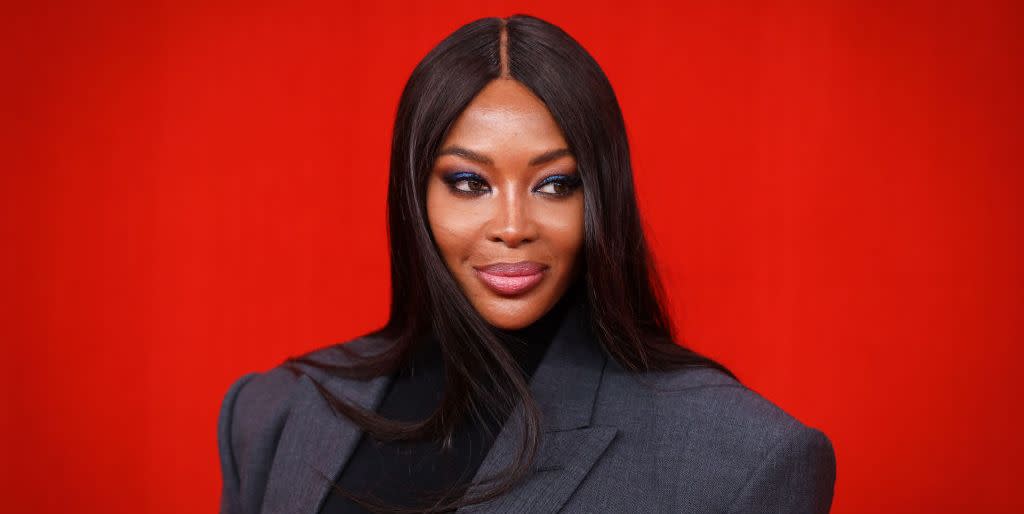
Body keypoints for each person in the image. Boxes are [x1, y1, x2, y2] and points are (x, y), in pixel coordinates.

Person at [217, 14, 836, 514]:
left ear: (601, 197)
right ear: (412, 195)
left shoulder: (741, 460)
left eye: (554, 185)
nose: (512, 227)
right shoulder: (275, 414)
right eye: (467, 182)